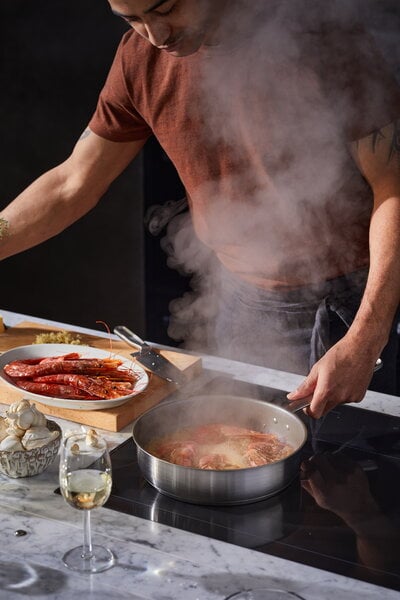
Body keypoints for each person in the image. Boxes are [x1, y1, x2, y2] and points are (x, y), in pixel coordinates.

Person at [0, 0, 399, 419]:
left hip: (350, 303)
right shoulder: (139, 60)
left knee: (346, 469)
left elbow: (394, 186)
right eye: (133, 20)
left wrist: (367, 336)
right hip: (237, 300)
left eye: (166, 8)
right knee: (238, 444)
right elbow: (71, 183)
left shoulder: (324, 42)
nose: (156, 35)